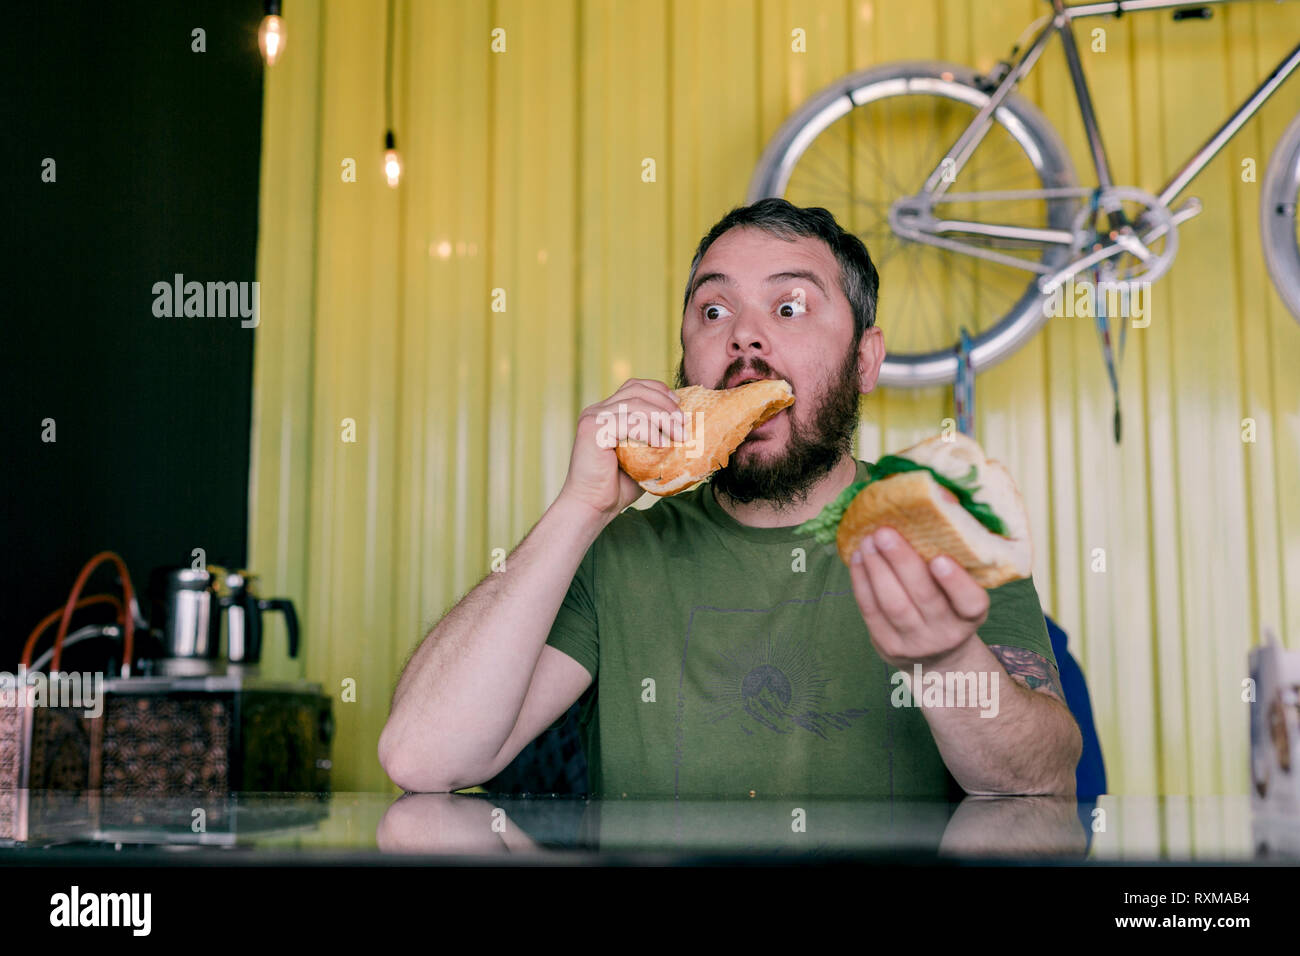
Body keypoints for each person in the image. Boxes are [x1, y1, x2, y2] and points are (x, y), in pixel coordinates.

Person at [379, 198, 1083, 799]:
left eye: (789, 306)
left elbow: (1038, 782)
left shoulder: (948, 529)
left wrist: (944, 660)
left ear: (864, 361)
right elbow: (420, 758)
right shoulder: (617, 553)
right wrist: (579, 508)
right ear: (685, 362)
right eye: (713, 310)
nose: (744, 335)